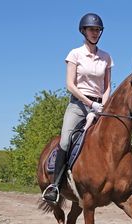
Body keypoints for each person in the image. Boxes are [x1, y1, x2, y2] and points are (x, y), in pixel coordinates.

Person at [42, 13, 111, 203]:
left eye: (97, 30)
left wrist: (102, 105)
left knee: (117, 136)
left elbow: (107, 86)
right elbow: (70, 85)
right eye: (91, 29)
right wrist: (90, 104)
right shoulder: (75, 54)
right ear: (84, 31)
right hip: (78, 105)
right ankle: (55, 185)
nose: (95, 33)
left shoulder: (106, 57)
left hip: (100, 106)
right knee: (65, 141)